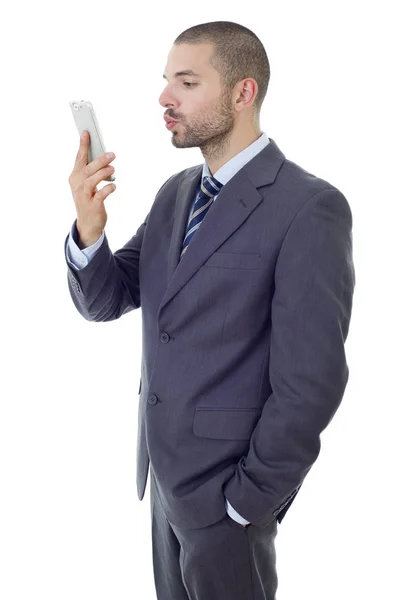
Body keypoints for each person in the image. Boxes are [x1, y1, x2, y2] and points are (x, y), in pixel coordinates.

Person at [65, 20, 355, 600]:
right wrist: (89, 230)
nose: (165, 98)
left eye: (187, 82)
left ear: (242, 94)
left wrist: (247, 503)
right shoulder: (177, 194)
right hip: (164, 483)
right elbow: (108, 299)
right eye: (167, 80)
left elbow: (312, 382)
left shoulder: (309, 207)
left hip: (229, 499)